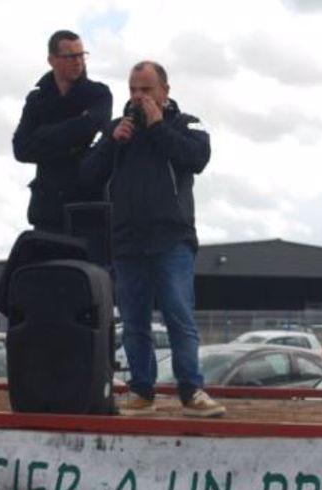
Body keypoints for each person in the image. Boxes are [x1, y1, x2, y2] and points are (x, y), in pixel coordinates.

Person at [81, 61, 224, 418]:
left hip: (172, 239)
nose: (138, 96)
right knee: (133, 322)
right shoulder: (117, 128)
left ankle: (191, 391)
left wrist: (159, 126)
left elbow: (197, 158)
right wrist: (112, 145)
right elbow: (88, 175)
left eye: (146, 89)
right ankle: (142, 392)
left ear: (165, 91)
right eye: (133, 89)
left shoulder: (187, 123)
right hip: (128, 242)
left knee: (179, 316)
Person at [13, 29, 112, 232]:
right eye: (70, 56)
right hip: (47, 209)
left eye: (81, 55)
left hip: (87, 206)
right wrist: (74, 142)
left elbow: (94, 125)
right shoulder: (36, 99)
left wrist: (43, 134)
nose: (78, 62)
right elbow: (21, 148)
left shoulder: (98, 93)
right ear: (52, 60)